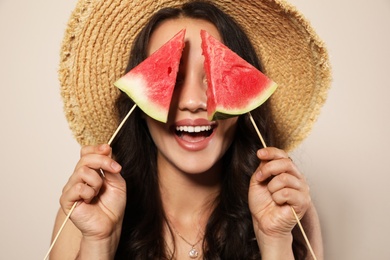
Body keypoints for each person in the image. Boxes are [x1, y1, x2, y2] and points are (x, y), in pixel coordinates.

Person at [51, 0, 331, 259]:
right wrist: (100, 242)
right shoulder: (83, 211)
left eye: (214, 78)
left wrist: (274, 241)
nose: (194, 102)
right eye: (170, 78)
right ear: (138, 103)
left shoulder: (292, 213)